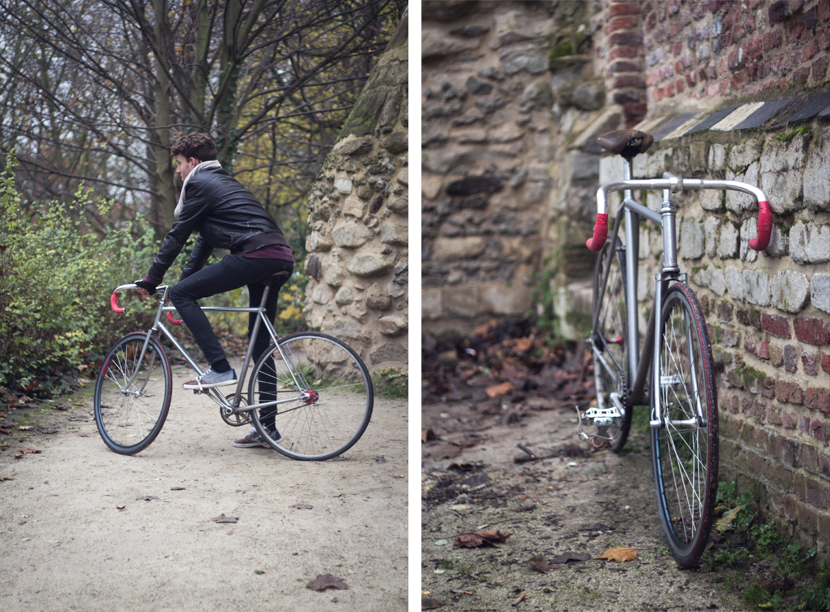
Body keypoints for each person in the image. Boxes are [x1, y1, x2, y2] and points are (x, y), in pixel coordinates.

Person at [135, 133, 293, 448]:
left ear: (192, 162)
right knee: (260, 344)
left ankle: (220, 368)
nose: (178, 171)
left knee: (182, 295)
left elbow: (178, 234)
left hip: (254, 256)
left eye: (179, 164)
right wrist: (183, 279)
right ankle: (268, 429)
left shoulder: (200, 183)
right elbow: (204, 241)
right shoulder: (222, 184)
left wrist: (153, 280)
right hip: (280, 256)